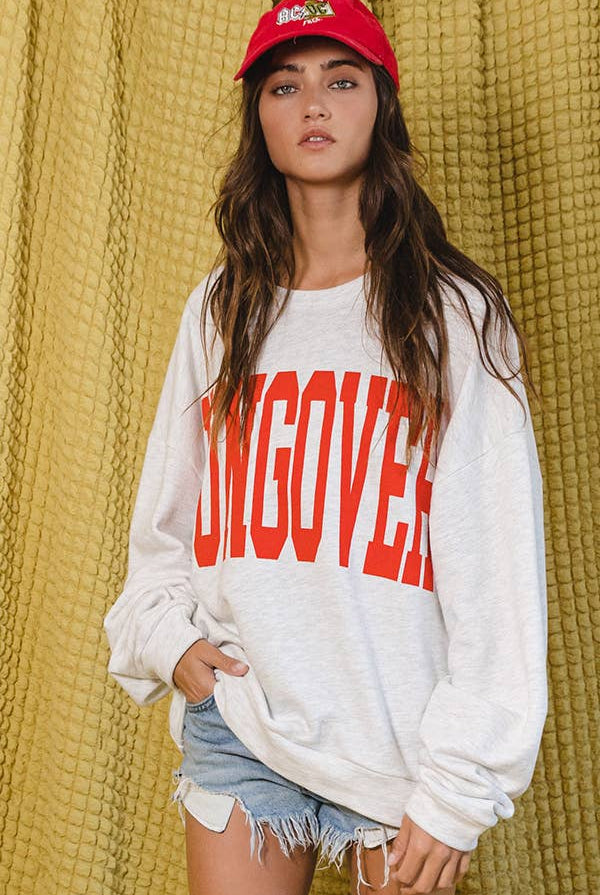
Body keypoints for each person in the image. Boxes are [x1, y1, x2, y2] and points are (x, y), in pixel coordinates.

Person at [103, 1, 549, 893]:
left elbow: (497, 566)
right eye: (285, 85)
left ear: (381, 105)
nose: (313, 104)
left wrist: (460, 784)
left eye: (340, 81)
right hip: (242, 718)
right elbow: (167, 520)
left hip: (399, 736)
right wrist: (170, 641)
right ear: (259, 118)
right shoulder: (221, 309)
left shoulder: (456, 314)